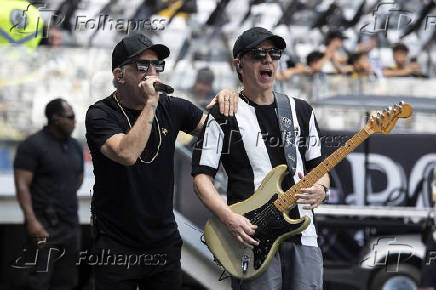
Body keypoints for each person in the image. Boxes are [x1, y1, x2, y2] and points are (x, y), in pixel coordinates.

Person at [85, 33, 237, 290]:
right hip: (116, 243)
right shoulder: (101, 114)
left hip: (163, 240)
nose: (152, 72)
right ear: (119, 75)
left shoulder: (173, 107)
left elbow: (221, 134)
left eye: (157, 65)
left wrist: (229, 99)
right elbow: (126, 154)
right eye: (142, 66)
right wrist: (151, 104)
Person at [192, 27, 330, 290]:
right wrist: (228, 218)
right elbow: (201, 178)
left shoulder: (301, 110)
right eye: (258, 54)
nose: (268, 60)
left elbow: (319, 168)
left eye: (274, 54)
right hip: (251, 237)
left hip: (304, 235)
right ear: (239, 65)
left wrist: (322, 188)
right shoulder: (223, 115)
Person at [13, 98, 83, 290]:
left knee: (67, 282)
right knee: (38, 282)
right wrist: (32, 221)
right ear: (56, 118)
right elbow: (21, 186)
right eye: (71, 116)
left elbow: (77, 181)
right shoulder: (32, 145)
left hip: (70, 226)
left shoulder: (76, 145)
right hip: (43, 228)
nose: (75, 121)